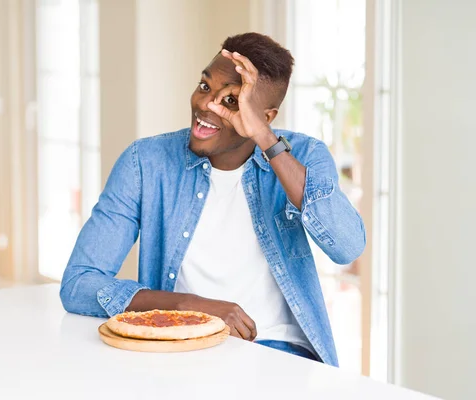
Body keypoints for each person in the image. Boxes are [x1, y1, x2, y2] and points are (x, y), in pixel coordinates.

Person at [60, 32, 365, 367]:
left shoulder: (304, 157)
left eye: (232, 101)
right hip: (185, 348)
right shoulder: (145, 163)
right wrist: (187, 305)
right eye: (205, 86)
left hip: (279, 355)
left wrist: (265, 140)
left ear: (266, 116)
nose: (206, 105)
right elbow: (79, 283)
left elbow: (347, 246)